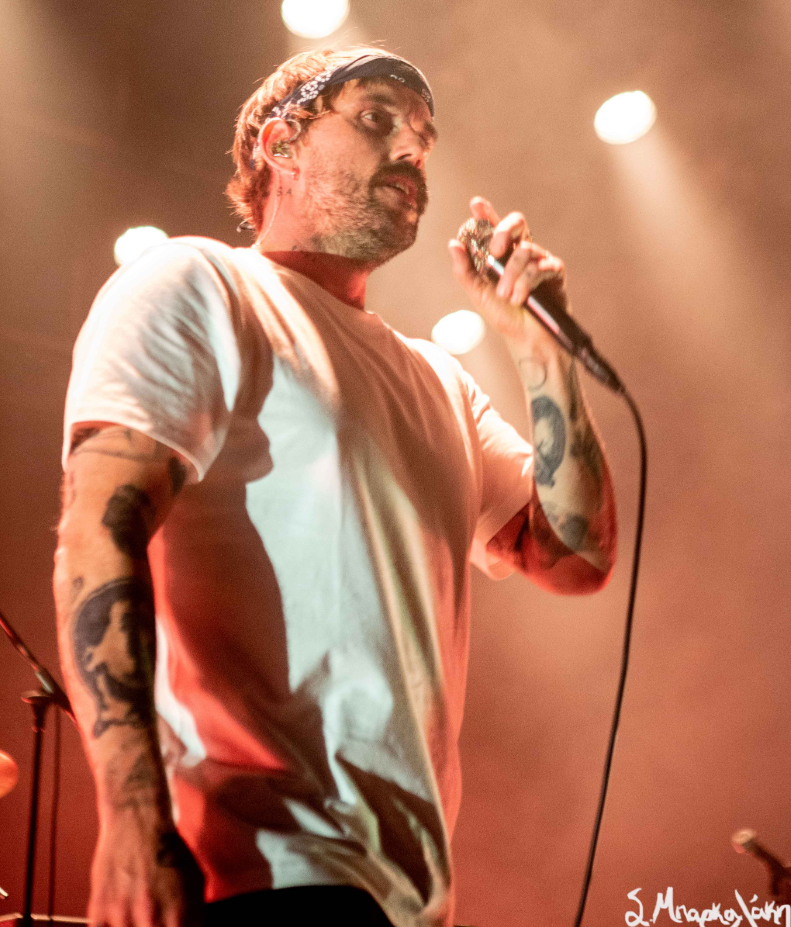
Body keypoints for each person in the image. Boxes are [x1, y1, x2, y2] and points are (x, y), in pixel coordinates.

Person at [54, 46, 616, 927]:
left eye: (422, 141)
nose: (409, 153)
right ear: (280, 143)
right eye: (376, 120)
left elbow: (575, 557)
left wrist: (540, 352)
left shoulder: (437, 378)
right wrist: (131, 817)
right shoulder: (200, 284)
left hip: (410, 894)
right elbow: (99, 532)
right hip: (259, 869)